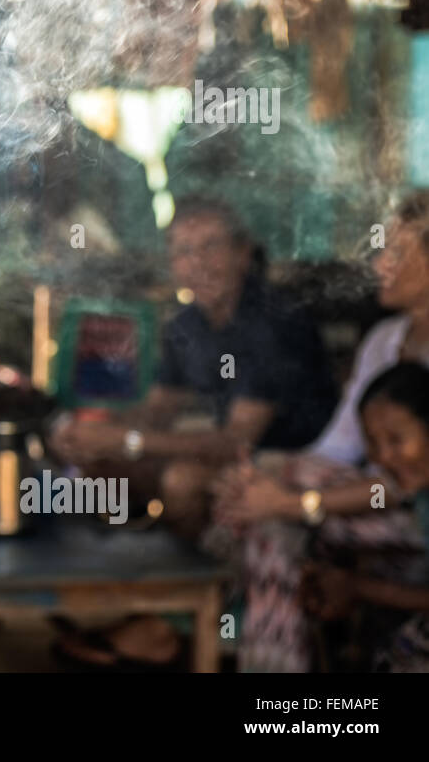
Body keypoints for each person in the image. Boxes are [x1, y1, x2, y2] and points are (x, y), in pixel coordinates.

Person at [211, 191, 429, 671]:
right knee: (265, 505)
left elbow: (406, 481)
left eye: (396, 253)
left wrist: (293, 502)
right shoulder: (384, 341)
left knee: (274, 517)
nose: (378, 265)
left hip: (411, 514)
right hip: (372, 505)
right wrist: (262, 483)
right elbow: (337, 449)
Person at [50, 196, 336, 531]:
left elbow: (236, 442)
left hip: (298, 457)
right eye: (183, 252)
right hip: (245, 451)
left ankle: (209, 565)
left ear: (242, 254)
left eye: (210, 247)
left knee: (182, 481)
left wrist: (128, 440)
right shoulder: (187, 325)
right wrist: (90, 431)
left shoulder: (273, 323)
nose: (198, 263)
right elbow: (157, 410)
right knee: (101, 466)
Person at [302, 362, 429, 671]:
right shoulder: (421, 497)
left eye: (396, 440)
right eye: (372, 443)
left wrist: (357, 588)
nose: (382, 457)